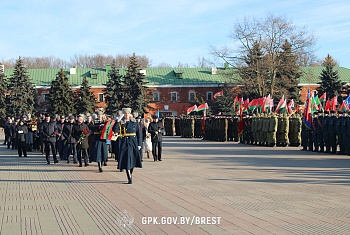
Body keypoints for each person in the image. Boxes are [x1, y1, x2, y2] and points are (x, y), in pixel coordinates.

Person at [113, 108, 142, 184]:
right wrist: (117, 121)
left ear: (130, 114)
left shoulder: (135, 122)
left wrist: (139, 144)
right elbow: (115, 130)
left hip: (133, 142)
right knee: (126, 159)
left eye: (128, 113)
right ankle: (129, 177)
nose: (126, 115)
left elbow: (139, 134)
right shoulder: (121, 122)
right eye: (125, 114)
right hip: (124, 142)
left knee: (133, 159)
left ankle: (130, 172)